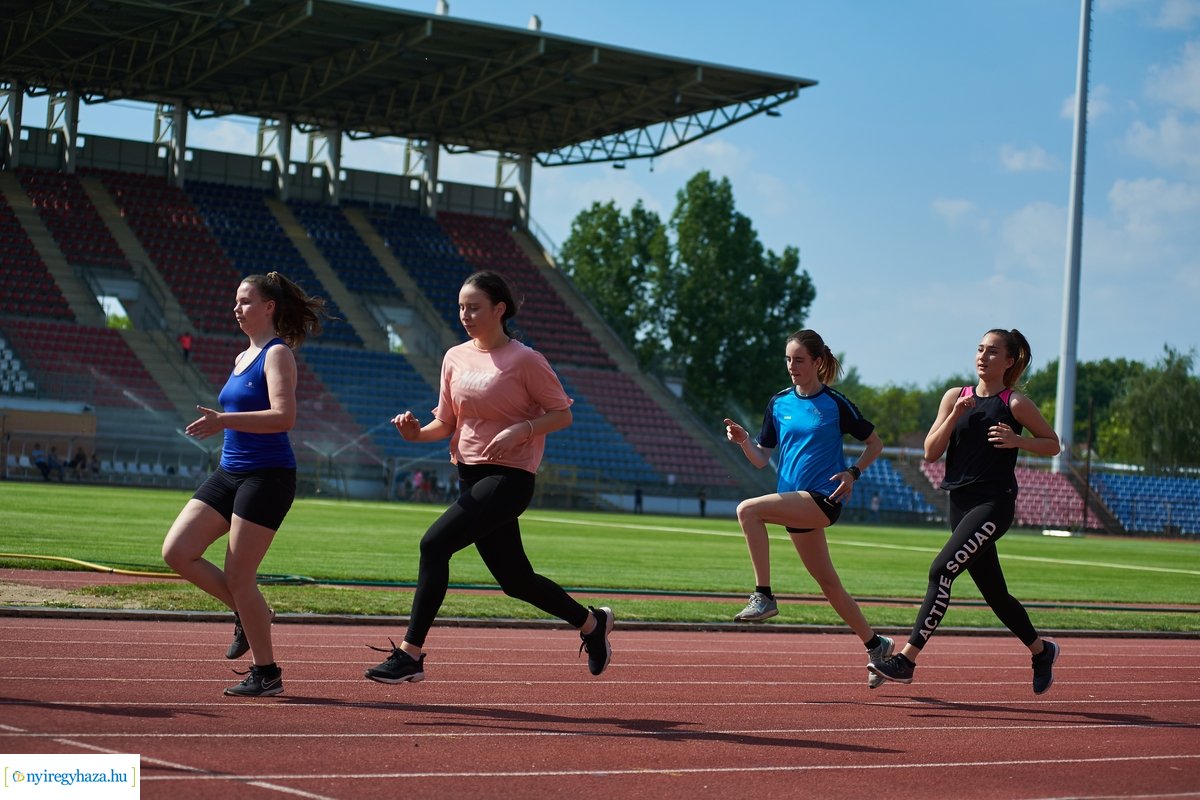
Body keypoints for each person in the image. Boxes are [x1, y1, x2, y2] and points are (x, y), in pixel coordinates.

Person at [364, 270, 613, 685]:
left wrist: (522, 429)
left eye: (474, 307)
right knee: (515, 580)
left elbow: (562, 414)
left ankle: (410, 654)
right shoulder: (454, 357)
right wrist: (415, 434)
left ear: (499, 309)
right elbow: (446, 422)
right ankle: (591, 623)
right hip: (470, 474)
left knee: (434, 545)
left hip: (509, 478)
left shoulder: (526, 360)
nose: (465, 315)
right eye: (461, 307)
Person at [869, 328, 1062, 694]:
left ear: (1009, 361)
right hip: (958, 503)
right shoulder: (955, 396)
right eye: (980, 349)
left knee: (941, 570)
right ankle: (1042, 651)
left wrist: (1017, 440)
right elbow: (930, 452)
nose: (983, 357)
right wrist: (954, 415)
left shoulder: (1014, 403)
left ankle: (907, 659)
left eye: (993, 352)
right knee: (995, 594)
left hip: (994, 504)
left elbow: (1053, 445)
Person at [161, 272, 326, 697]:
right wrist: (224, 423)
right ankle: (252, 613)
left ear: (269, 307)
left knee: (239, 575)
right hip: (229, 472)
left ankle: (267, 673)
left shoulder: (277, 354)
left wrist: (223, 421)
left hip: (267, 476)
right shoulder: (242, 356)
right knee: (177, 551)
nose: (237, 308)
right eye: (236, 301)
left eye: (246, 301)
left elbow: (284, 417)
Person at [723, 328, 893, 689]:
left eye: (799, 360)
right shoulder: (779, 403)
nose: (791, 366)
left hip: (823, 498)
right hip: (794, 503)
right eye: (788, 359)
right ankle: (876, 645)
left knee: (747, 511)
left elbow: (875, 444)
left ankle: (763, 595)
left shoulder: (835, 403)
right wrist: (743, 441)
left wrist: (853, 473)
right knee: (829, 585)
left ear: (817, 362)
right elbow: (761, 458)